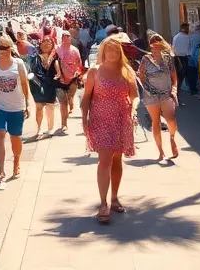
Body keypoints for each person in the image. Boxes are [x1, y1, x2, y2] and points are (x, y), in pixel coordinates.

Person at [82, 35, 138, 224]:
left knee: (117, 160)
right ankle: (103, 203)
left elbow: (135, 95)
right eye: (108, 49)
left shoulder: (127, 70)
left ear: (120, 51)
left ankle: (114, 198)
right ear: (103, 51)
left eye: (115, 49)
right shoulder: (95, 71)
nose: (112, 52)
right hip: (101, 119)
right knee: (104, 160)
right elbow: (86, 97)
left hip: (122, 119)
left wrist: (134, 108)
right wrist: (84, 118)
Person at [0, 35, 32, 184]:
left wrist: (27, 104)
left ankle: (16, 161)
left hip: (16, 106)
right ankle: (1, 170)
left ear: (11, 49)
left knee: (15, 137)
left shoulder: (18, 64)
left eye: (5, 48)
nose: (2, 51)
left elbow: (25, 84)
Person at [138, 31, 179, 160]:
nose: (155, 46)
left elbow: (174, 76)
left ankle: (172, 139)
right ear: (150, 45)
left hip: (166, 93)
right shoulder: (146, 59)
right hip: (151, 94)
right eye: (153, 44)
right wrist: (147, 88)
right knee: (155, 122)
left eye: (158, 43)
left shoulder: (168, 58)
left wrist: (174, 90)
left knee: (171, 121)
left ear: (162, 44)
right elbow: (141, 76)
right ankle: (160, 151)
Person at [29, 37, 62, 138]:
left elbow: (58, 70)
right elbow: (33, 71)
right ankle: (39, 129)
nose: (46, 44)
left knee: (50, 107)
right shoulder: (36, 57)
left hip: (50, 84)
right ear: (40, 45)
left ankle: (50, 128)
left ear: (52, 45)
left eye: (49, 43)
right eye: (44, 42)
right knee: (39, 108)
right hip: (38, 85)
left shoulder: (55, 57)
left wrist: (58, 75)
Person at [55, 32, 83, 133]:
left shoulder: (74, 50)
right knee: (63, 102)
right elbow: (54, 61)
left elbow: (79, 63)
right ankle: (64, 124)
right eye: (64, 36)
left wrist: (78, 72)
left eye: (68, 36)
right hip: (61, 79)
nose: (66, 38)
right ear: (61, 38)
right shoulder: (57, 49)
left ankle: (71, 102)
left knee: (70, 97)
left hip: (72, 78)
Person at [171, 23, 192, 94]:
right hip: (183, 58)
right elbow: (189, 48)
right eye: (187, 28)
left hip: (176, 57)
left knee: (178, 75)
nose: (188, 30)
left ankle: (177, 89)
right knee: (183, 74)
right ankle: (180, 88)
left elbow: (173, 47)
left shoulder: (176, 37)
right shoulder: (187, 37)